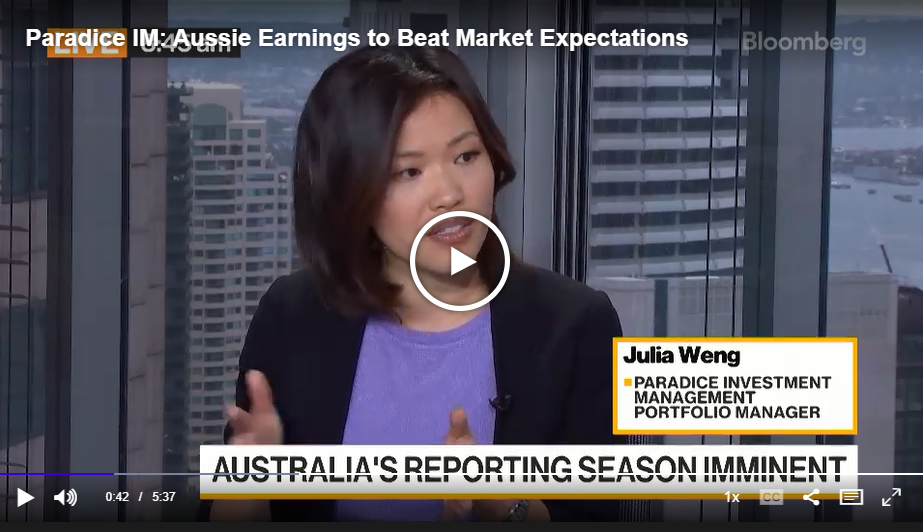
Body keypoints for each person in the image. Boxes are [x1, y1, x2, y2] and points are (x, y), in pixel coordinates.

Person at [207, 45, 627, 522]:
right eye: (409, 171)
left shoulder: (575, 326)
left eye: (466, 155)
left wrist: (506, 503)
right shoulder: (292, 318)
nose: (449, 194)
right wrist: (247, 485)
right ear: (350, 192)